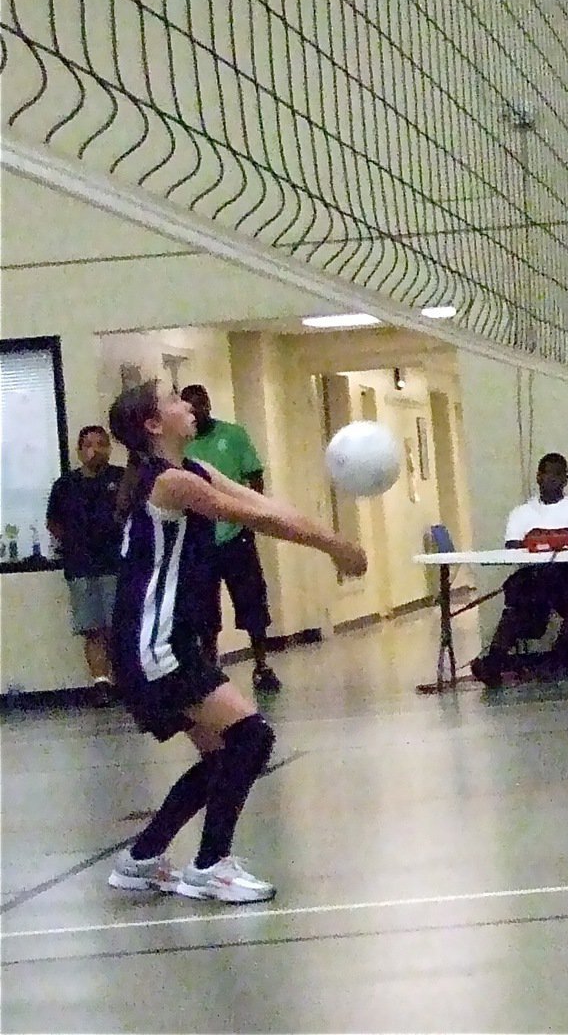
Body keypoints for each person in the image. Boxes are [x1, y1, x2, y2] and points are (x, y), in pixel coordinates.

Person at [105, 379, 366, 902]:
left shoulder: (194, 470)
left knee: (221, 755)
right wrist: (334, 545)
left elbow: (265, 504)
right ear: (153, 425)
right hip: (155, 646)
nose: (186, 404)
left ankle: (142, 859)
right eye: (172, 400)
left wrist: (331, 537)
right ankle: (210, 866)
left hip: (162, 641)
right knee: (251, 738)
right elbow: (257, 519)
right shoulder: (170, 483)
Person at [179, 384, 281, 693]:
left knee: (251, 599)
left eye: (200, 405)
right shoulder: (181, 443)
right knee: (203, 607)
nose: (195, 413)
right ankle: (210, 666)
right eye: (189, 408)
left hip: (236, 534)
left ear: (208, 405)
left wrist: (250, 513)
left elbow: (254, 476)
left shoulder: (233, 435)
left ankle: (261, 664)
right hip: (199, 537)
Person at [470, 453, 568, 688]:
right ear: (538, 477)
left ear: (566, 479)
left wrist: (540, 536)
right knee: (517, 601)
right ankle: (493, 663)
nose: (553, 479)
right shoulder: (521, 512)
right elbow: (513, 545)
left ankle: (559, 656)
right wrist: (561, 536)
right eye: (548, 473)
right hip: (535, 575)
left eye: (559, 474)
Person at [46, 425, 126, 706]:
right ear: (79, 451)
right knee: (92, 629)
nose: (95, 450)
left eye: (101, 444)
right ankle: (101, 684)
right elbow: (53, 522)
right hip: (81, 568)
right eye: (89, 445)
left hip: (116, 565)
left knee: (119, 626)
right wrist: (73, 544)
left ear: (109, 448)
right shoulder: (65, 485)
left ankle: (126, 682)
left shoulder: (122, 479)